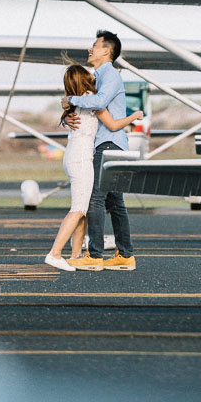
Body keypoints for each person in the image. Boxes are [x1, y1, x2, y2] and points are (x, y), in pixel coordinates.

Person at [45, 62, 143, 271]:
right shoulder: (92, 101)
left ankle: (76, 255)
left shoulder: (76, 104)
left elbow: (71, 110)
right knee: (81, 208)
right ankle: (55, 253)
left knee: (85, 207)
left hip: (74, 156)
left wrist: (66, 106)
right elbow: (114, 124)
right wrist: (135, 116)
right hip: (81, 158)